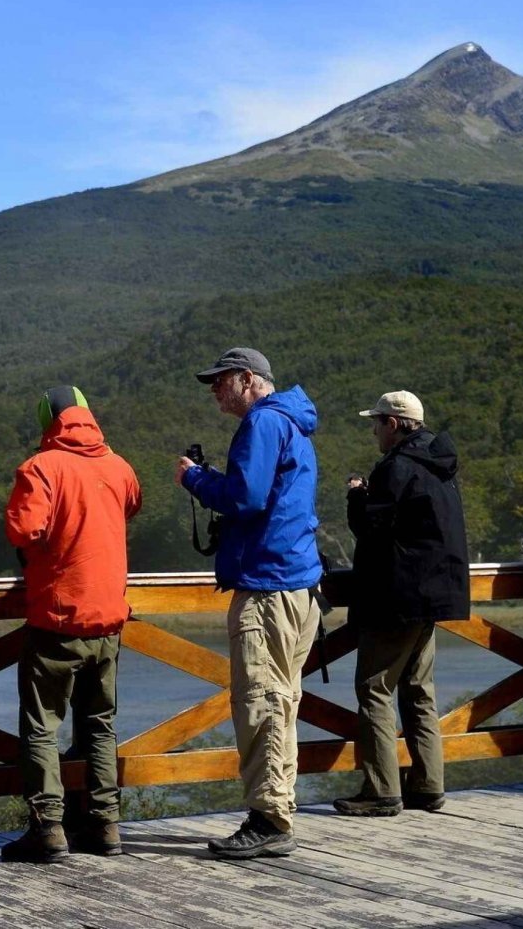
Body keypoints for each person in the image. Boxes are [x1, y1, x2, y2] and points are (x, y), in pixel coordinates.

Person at [175, 347, 323, 860]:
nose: (214, 390)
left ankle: (269, 817)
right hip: (297, 583)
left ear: (246, 379)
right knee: (282, 701)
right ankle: (276, 808)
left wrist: (196, 478)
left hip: (266, 586)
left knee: (261, 702)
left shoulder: (263, 424)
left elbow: (245, 497)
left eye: (219, 381)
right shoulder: (293, 423)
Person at [1, 386, 142, 863]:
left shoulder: (40, 468)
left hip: (56, 619)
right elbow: (133, 503)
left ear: (49, 421)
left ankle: (48, 828)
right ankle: (105, 825)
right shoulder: (119, 466)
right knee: (100, 725)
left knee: (43, 727)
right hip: (109, 621)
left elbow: (22, 530)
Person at [333, 390, 470, 817]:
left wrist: (357, 493)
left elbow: (370, 529)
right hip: (434, 596)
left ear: (393, 424)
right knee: (417, 690)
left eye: (376, 422)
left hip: (397, 596)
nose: (373, 430)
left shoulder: (397, 468)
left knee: (373, 688)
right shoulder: (441, 467)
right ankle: (428, 785)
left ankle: (381, 790)